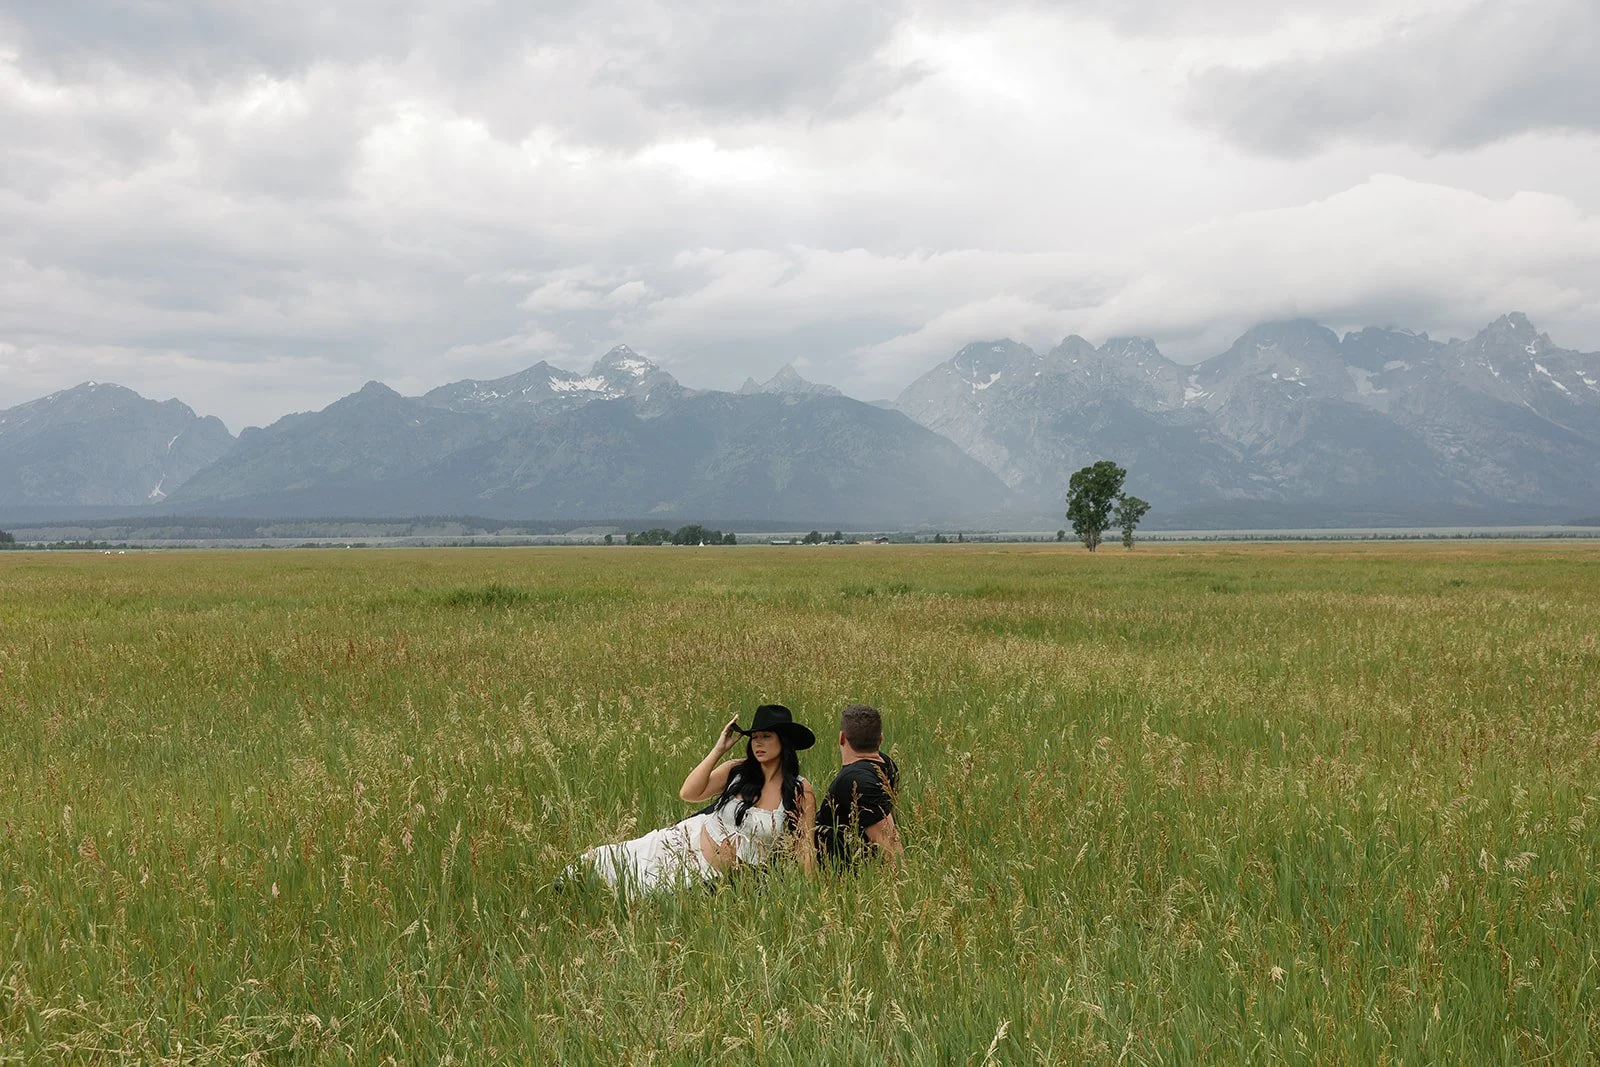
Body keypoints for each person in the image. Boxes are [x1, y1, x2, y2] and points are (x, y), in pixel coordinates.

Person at [563, 704, 817, 898]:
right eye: (755, 737)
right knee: (606, 860)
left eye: (766, 737)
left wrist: (809, 893)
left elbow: (805, 846)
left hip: (720, 876)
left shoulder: (799, 789)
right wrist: (719, 750)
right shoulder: (738, 771)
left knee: (647, 895)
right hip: (683, 842)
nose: (758, 743)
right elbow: (689, 793)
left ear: (783, 742)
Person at [814, 703, 902, 866]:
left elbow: (892, 848)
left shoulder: (856, 780)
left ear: (841, 737)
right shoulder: (886, 764)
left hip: (841, 876)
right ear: (881, 739)